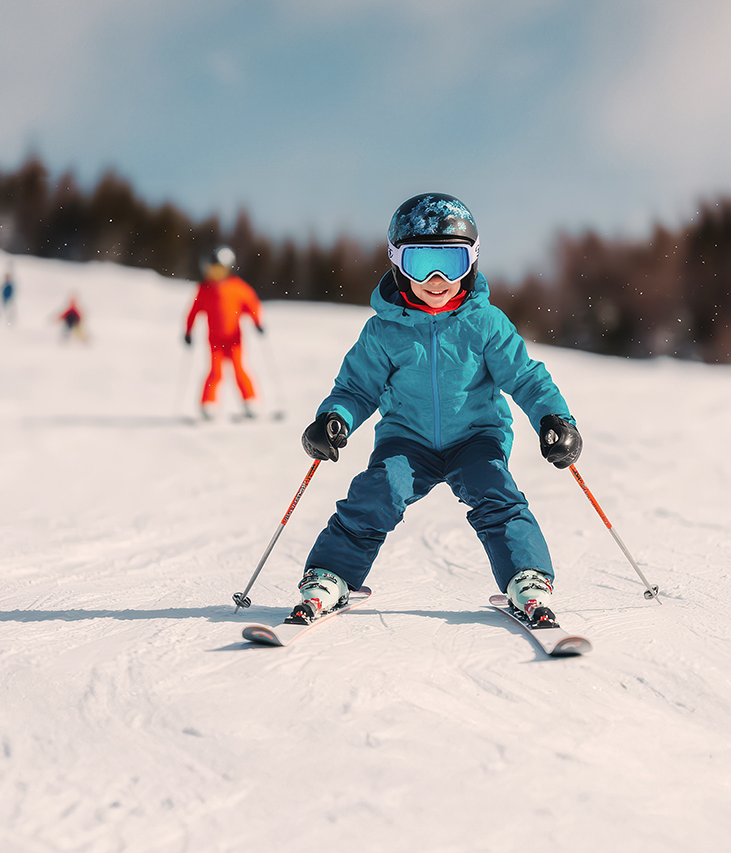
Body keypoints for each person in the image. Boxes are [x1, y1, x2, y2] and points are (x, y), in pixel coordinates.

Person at [293, 193, 582, 629]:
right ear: (396, 264)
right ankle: (331, 576)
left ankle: (528, 579)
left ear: (472, 263)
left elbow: (525, 377)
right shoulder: (383, 330)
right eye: (420, 262)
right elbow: (356, 387)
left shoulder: (485, 323)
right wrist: (335, 417)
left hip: (476, 437)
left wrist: (553, 419)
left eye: (449, 263)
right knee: (378, 492)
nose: (434, 279)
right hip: (406, 440)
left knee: (496, 494)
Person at [184, 246, 264, 420]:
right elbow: (194, 311)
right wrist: (188, 331)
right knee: (215, 372)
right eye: (212, 270)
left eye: (219, 270)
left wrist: (257, 321)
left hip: (234, 339)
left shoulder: (238, 287)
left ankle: (250, 402)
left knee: (239, 370)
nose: (215, 274)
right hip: (214, 340)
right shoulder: (204, 289)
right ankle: (208, 404)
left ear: (228, 268)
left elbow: (251, 304)